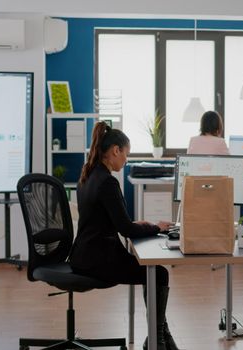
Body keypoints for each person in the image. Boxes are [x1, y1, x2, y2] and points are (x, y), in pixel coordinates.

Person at [69, 121, 178, 350]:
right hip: (99, 260)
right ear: (115, 151)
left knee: (153, 272)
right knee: (158, 274)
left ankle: (159, 338)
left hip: (83, 255)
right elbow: (125, 230)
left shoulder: (88, 174)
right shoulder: (107, 181)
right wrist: (157, 227)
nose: (126, 160)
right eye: (126, 154)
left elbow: (102, 220)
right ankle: (158, 339)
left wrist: (136, 224)